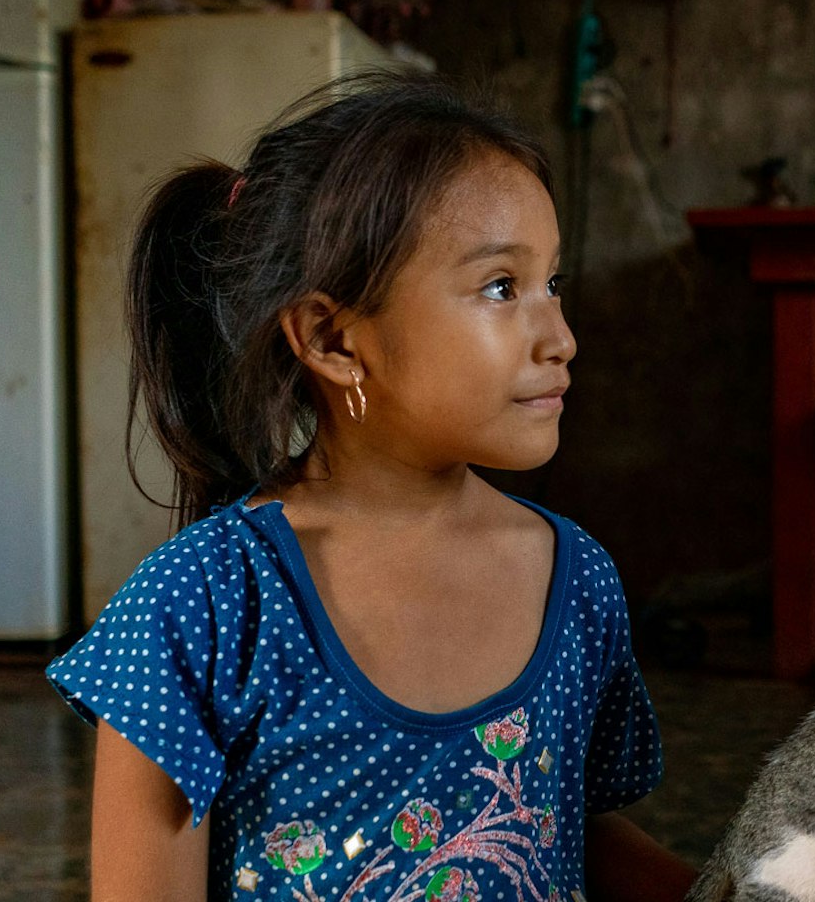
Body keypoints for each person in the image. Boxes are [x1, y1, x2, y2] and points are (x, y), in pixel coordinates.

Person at [47, 68, 694, 901]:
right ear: (332, 338)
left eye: (552, 283)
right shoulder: (200, 607)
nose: (559, 336)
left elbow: (568, 831)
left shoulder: (578, 584)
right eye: (502, 287)